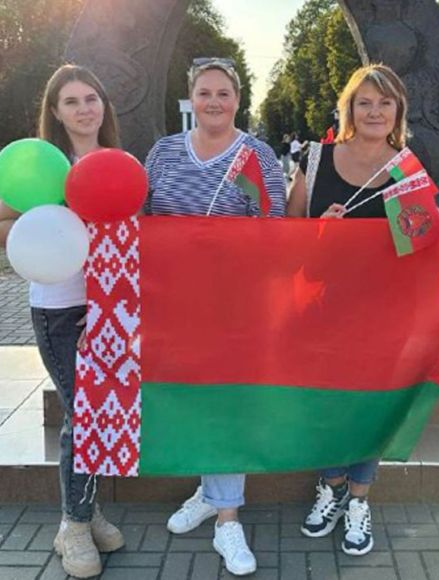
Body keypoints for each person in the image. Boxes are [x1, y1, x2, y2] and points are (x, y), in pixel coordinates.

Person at [144, 57, 286, 576]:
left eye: (224, 93)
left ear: (238, 99)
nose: (214, 102)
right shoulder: (163, 153)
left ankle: (228, 519)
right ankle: (209, 493)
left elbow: (271, 231)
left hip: (232, 307)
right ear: (191, 98)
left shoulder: (257, 157)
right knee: (194, 400)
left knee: (227, 402)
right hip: (174, 305)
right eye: (205, 92)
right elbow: (141, 218)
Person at [0, 64, 125, 579]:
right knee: (82, 414)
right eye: (72, 101)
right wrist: (49, 219)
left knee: (99, 413)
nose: (84, 109)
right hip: (59, 308)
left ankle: (85, 512)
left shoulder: (120, 162)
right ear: (55, 111)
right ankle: (74, 524)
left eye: (92, 98)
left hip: (112, 307)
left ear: (104, 105)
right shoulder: (42, 165)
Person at [287, 63, 410, 555]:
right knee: (325, 405)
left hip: (384, 313)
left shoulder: (406, 167)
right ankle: (332, 486)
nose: (375, 111)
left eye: (385, 102)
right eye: (365, 102)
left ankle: (359, 499)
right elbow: (288, 230)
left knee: (369, 408)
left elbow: (423, 238)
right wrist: (322, 230)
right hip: (322, 309)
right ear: (349, 109)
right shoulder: (317, 159)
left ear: (397, 110)